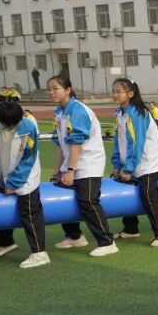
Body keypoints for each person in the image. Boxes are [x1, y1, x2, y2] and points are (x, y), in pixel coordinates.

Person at [48, 76, 117, 256]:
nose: (51, 92)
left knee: (88, 201)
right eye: (50, 89)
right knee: (62, 198)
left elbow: (76, 142)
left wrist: (70, 170)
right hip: (71, 163)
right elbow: (61, 143)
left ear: (68, 90)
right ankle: (75, 236)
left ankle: (107, 242)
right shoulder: (59, 111)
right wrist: (57, 170)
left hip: (88, 164)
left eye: (55, 88)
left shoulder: (78, 110)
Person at [0, 99, 49, 268]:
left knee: (30, 211)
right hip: (0, 172)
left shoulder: (28, 127)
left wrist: (14, 182)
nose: (11, 128)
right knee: (0, 207)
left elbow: (29, 158)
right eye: (7, 125)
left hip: (26, 174)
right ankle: (4, 243)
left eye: (14, 124)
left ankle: (40, 253)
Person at [110, 78, 158, 247]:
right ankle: (131, 229)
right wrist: (117, 164)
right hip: (130, 164)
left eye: (118, 92)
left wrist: (128, 168)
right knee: (125, 194)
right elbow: (118, 140)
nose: (114, 94)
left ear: (130, 93)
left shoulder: (137, 113)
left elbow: (137, 143)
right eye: (113, 91)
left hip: (146, 164)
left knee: (149, 197)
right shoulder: (120, 113)